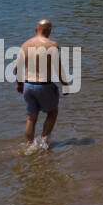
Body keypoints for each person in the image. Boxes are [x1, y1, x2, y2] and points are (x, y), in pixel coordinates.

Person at [17, 19, 69, 149]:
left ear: (36, 29)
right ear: (49, 30)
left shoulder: (25, 44)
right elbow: (58, 67)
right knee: (52, 113)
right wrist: (65, 84)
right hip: (44, 85)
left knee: (31, 117)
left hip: (28, 85)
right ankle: (44, 142)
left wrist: (19, 84)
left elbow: (17, 68)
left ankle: (29, 147)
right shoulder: (52, 44)